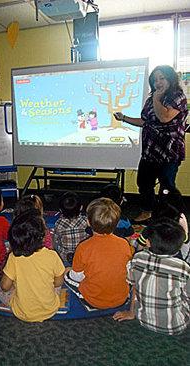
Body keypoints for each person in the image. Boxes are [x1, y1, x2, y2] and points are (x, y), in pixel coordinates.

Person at [114, 65, 188, 222]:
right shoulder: (151, 100)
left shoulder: (177, 97)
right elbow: (145, 122)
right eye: (155, 80)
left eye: (162, 78)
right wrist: (124, 118)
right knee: (143, 182)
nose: (158, 82)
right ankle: (147, 211)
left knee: (167, 187)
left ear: (170, 79)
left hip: (169, 151)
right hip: (150, 150)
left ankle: (167, 216)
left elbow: (165, 117)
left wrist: (156, 97)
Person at [113, 219, 190, 335]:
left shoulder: (138, 258)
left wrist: (131, 312)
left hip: (142, 319)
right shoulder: (183, 267)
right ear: (179, 246)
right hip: (176, 325)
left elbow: (134, 286)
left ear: (148, 242)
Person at [0, 210, 65, 322]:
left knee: (0, 290)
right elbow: (58, 282)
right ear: (43, 237)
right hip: (50, 309)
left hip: (22, 311)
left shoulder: (14, 257)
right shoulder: (52, 255)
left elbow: (4, 286)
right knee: (57, 286)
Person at [64, 197, 133, 309]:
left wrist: (69, 271)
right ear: (116, 223)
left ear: (88, 222)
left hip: (93, 301)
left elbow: (76, 277)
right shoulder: (124, 243)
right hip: (122, 298)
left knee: (67, 274)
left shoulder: (83, 247)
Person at [53, 191, 89, 264]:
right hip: (84, 256)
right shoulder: (86, 221)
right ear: (81, 207)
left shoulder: (59, 224)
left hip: (65, 258)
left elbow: (56, 241)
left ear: (60, 210)